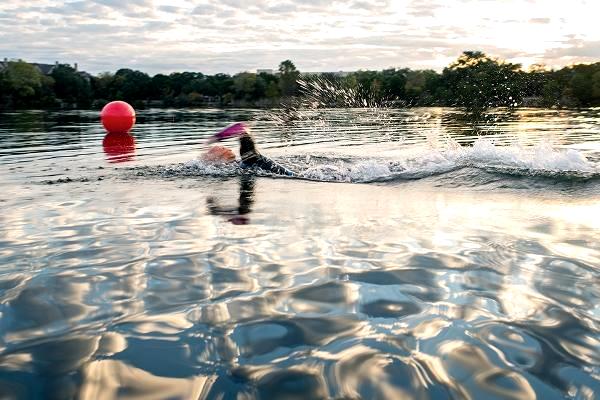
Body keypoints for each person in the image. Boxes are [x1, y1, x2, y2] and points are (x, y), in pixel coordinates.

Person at [204, 123, 295, 176]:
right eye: (218, 149)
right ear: (219, 159)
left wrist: (217, 137)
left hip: (292, 177)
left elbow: (241, 128)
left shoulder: (248, 158)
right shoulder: (242, 164)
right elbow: (241, 127)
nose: (225, 148)